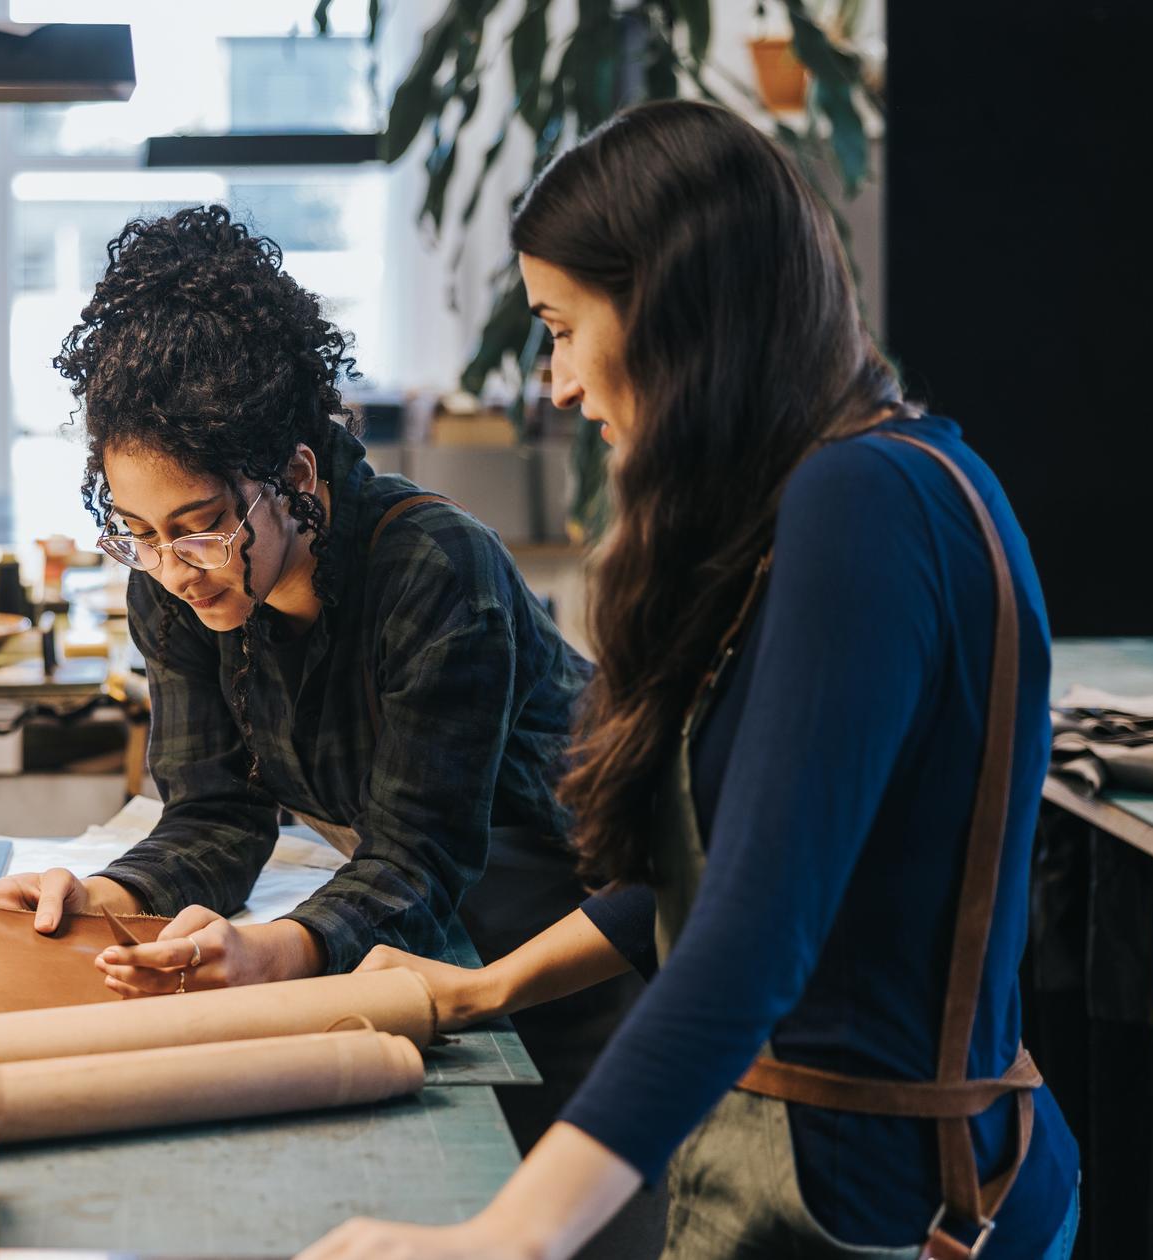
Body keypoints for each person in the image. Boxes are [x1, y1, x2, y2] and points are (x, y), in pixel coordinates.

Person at [300, 101, 1080, 1260]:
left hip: (876, 1208)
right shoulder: (872, 484)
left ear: (670, 312)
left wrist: (510, 1233)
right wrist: (483, 990)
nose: (557, 383)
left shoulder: (858, 503)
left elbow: (751, 932)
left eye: (561, 327)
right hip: (874, 1180)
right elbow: (722, 862)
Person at [0, 205, 642, 1166]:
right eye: (138, 534)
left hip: (568, 942)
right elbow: (217, 816)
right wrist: (109, 894)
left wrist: (278, 951)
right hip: (415, 945)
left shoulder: (437, 569)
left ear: (296, 476)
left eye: (199, 525)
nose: (174, 567)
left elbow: (419, 858)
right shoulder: (177, 583)